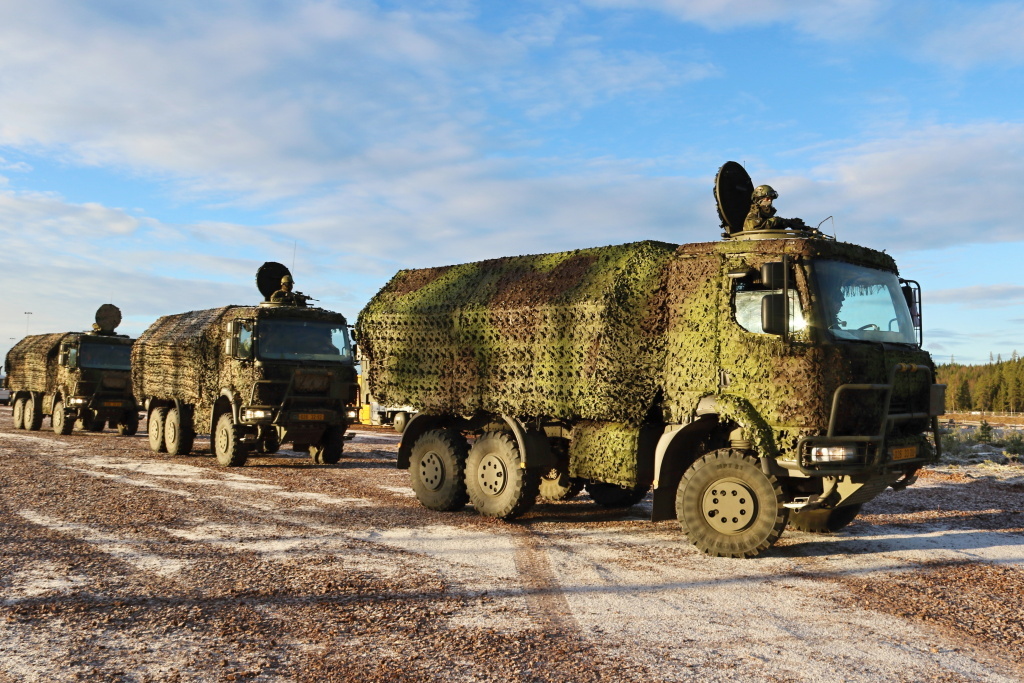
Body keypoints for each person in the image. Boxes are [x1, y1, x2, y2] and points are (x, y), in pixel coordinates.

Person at [743, 185, 813, 232]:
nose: (770, 201)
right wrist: (777, 221)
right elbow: (753, 227)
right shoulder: (754, 213)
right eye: (767, 199)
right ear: (758, 199)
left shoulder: (767, 213)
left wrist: (792, 223)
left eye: (771, 199)